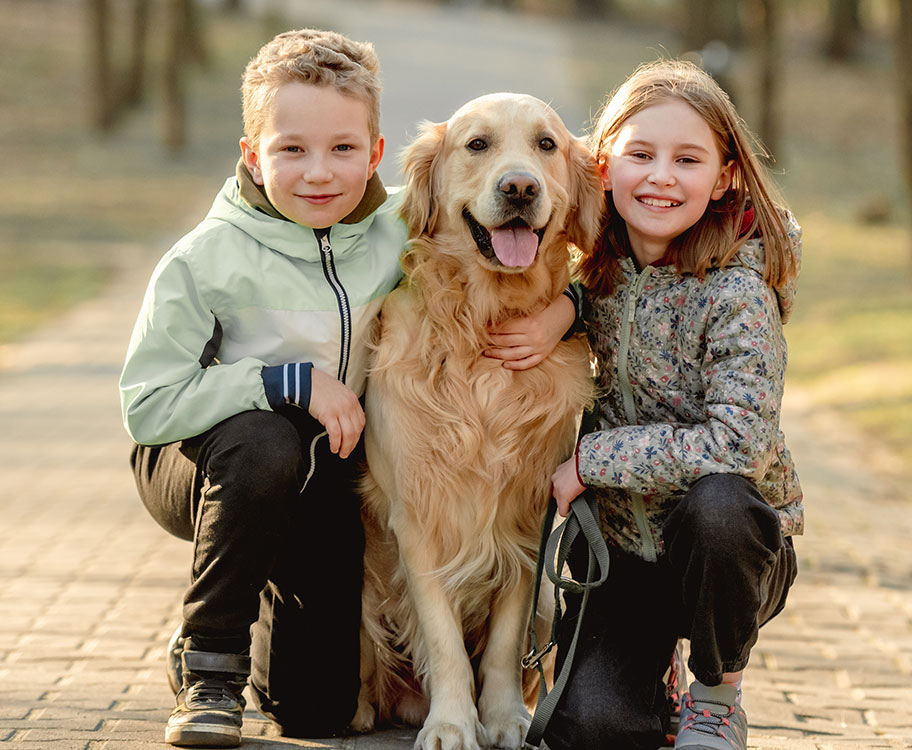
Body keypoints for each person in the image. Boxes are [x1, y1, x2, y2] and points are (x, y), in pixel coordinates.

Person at [119, 29, 575, 748]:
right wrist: (285, 383)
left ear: (377, 156)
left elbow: (533, 235)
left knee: (321, 712)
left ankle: (278, 613)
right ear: (252, 155)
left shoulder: (402, 223)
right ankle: (207, 663)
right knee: (263, 444)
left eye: (341, 149)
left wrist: (566, 307)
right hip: (200, 456)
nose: (319, 173)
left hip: (322, 475)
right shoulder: (202, 259)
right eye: (291, 150)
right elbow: (146, 404)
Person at [544, 59, 804, 750]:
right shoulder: (587, 263)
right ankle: (647, 676)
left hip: (731, 554)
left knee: (719, 502)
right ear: (604, 165)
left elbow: (739, 444)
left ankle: (717, 692)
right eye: (641, 154)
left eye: (687, 160)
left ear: (723, 178)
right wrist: (562, 307)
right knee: (592, 729)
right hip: (624, 553)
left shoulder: (736, 292)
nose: (660, 176)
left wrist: (590, 459)